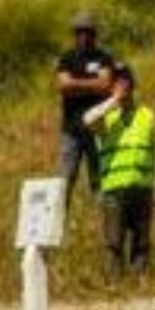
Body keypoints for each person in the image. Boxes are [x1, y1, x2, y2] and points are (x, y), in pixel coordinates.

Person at [83, 65, 155, 278]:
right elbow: (87, 119)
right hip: (114, 189)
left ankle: (140, 281)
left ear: (133, 86)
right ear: (111, 88)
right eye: (117, 84)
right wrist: (114, 101)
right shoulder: (105, 118)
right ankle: (114, 284)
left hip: (142, 187)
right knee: (113, 242)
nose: (123, 87)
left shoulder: (148, 115)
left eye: (126, 83)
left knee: (142, 242)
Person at [54, 11, 117, 193]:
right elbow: (63, 86)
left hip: (97, 129)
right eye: (80, 32)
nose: (84, 36)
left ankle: (104, 219)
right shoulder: (67, 58)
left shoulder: (103, 58)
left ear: (94, 34)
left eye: (88, 31)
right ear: (74, 34)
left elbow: (106, 85)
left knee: (99, 180)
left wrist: (75, 84)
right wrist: (92, 84)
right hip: (71, 129)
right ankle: (59, 218)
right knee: (65, 179)